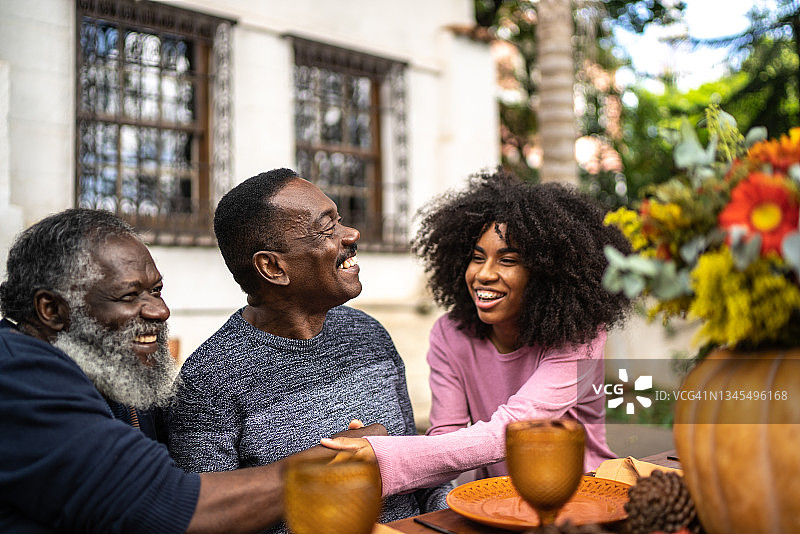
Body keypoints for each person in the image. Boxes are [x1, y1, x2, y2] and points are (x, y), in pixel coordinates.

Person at [0, 208, 375, 534]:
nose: (159, 311)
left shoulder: (112, 369)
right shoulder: (16, 374)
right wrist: (340, 455)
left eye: (156, 291)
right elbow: (170, 504)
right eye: (129, 296)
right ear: (52, 310)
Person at [167, 168, 450, 532]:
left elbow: (420, 469)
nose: (352, 234)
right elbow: (208, 520)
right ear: (273, 267)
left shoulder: (369, 334)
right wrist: (328, 464)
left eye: (340, 220)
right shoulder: (210, 379)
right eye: (327, 228)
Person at [320, 169, 633, 496]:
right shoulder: (451, 334)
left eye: (507, 260)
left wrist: (385, 454)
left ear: (546, 274)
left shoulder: (580, 337)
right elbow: (445, 443)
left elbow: (511, 431)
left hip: (585, 494)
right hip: (499, 500)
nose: (484, 274)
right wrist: (372, 449)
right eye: (477, 258)